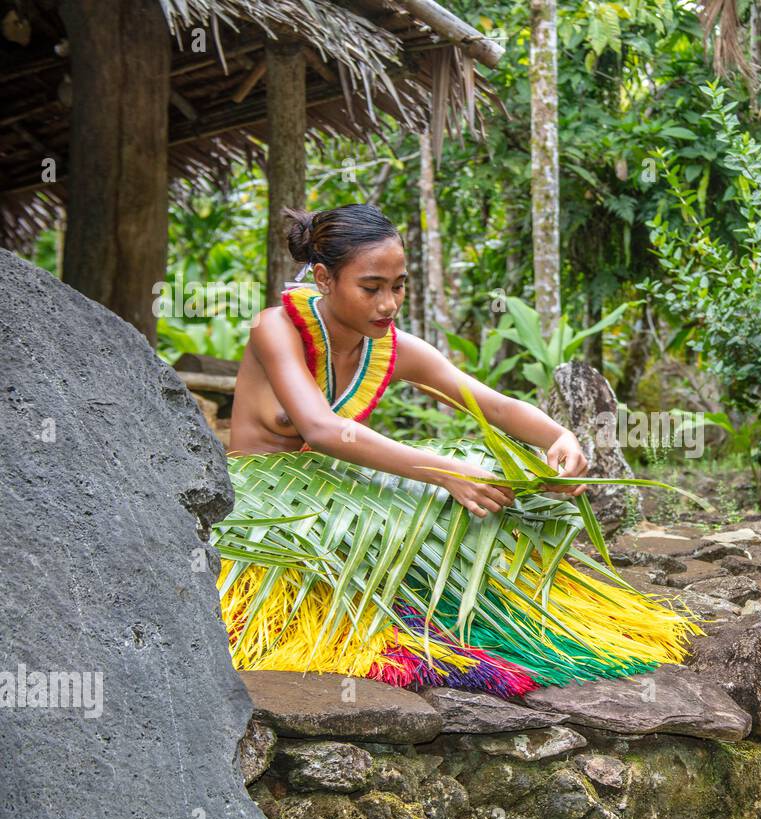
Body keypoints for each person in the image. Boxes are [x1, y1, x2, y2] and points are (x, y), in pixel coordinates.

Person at [217, 202, 702, 698]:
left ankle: (509, 622)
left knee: (491, 472)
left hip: (335, 498)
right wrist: (443, 471)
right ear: (323, 278)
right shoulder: (275, 327)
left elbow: (493, 406)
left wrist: (559, 438)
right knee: (455, 476)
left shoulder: (392, 346)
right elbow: (320, 430)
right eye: (371, 287)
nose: (388, 303)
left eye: (398, 286)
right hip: (268, 513)